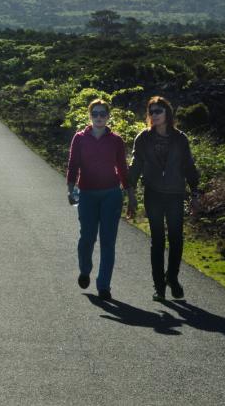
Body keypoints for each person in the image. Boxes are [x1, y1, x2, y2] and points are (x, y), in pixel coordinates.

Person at [126, 96, 200, 301]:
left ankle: (172, 278)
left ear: (168, 113)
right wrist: (130, 192)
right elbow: (135, 165)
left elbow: (189, 167)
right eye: (151, 111)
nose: (154, 115)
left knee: (176, 239)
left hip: (176, 194)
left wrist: (195, 194)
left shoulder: (180, 138)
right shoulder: (143, 138)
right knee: (157, 241)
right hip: (153, 194)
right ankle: (159, 287)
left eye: (158, 111)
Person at [66, 99, 130, 300]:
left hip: (111, 194)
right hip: (87, 194)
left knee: (108, 241)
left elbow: (122, 167)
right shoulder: (79, 138)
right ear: (90, 116)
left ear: (108, 116)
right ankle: (85, 270)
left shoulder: (116, 140)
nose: (99, 117)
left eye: (103, 113)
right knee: (87, 238)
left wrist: (130, 193)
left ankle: (104, 286)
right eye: (95, 113)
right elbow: (73, 164)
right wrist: (70, 189)